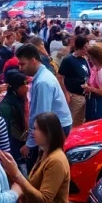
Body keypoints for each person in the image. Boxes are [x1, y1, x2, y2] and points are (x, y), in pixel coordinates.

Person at [17, 43, 72, 171]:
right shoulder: (42, 76)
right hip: (53, 126)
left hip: (54, 128)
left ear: (33, 61)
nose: (20, 68)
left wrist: (29, 144)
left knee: (43, 168)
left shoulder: (43, 82)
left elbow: (42, 117)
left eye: (22, 64)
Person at [58, 35, 91, 128]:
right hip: (74, 95)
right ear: (79, 47)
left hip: (84, 95)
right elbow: (60, 77)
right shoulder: (68, 60)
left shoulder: (84, 59)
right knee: (72, 121)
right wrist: (66, 93)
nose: (86, 50)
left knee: (80, 122)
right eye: (85, 47)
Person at [0, 70, 28, 166]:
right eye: (25, 84)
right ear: (17, 87)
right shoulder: (5, 107)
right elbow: (6, 135)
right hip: (14, 150)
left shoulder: (22, 100)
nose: (27, 87)